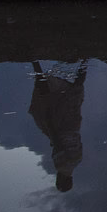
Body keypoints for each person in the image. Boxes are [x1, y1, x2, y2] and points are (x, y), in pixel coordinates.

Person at [29, 60, 88, 192]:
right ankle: (35, 62)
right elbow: (58, 143)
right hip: (61, 126)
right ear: (60, 179)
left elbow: (75, 141)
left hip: (74, 125)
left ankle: (85, 61)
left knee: (75, 92)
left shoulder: (78, 160)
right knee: (44, 97)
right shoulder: (61, 166)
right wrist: (48, 121)